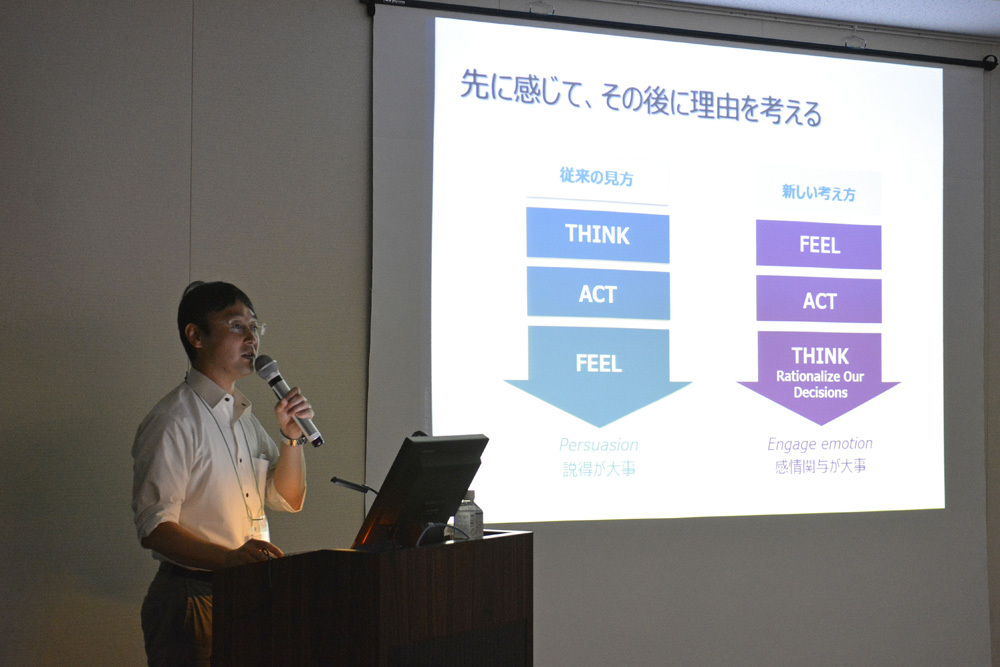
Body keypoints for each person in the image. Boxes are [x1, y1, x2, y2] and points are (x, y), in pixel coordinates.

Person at [132, 281, 311, 667]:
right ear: (196, 336)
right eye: (236, 326)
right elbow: (154, 527)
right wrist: (229, 559)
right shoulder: (174, 419)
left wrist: (291, 439)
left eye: (255, 327)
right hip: (193, 596)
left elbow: (287, 499)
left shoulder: (242, 416)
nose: (252, 338)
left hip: (248, 594)